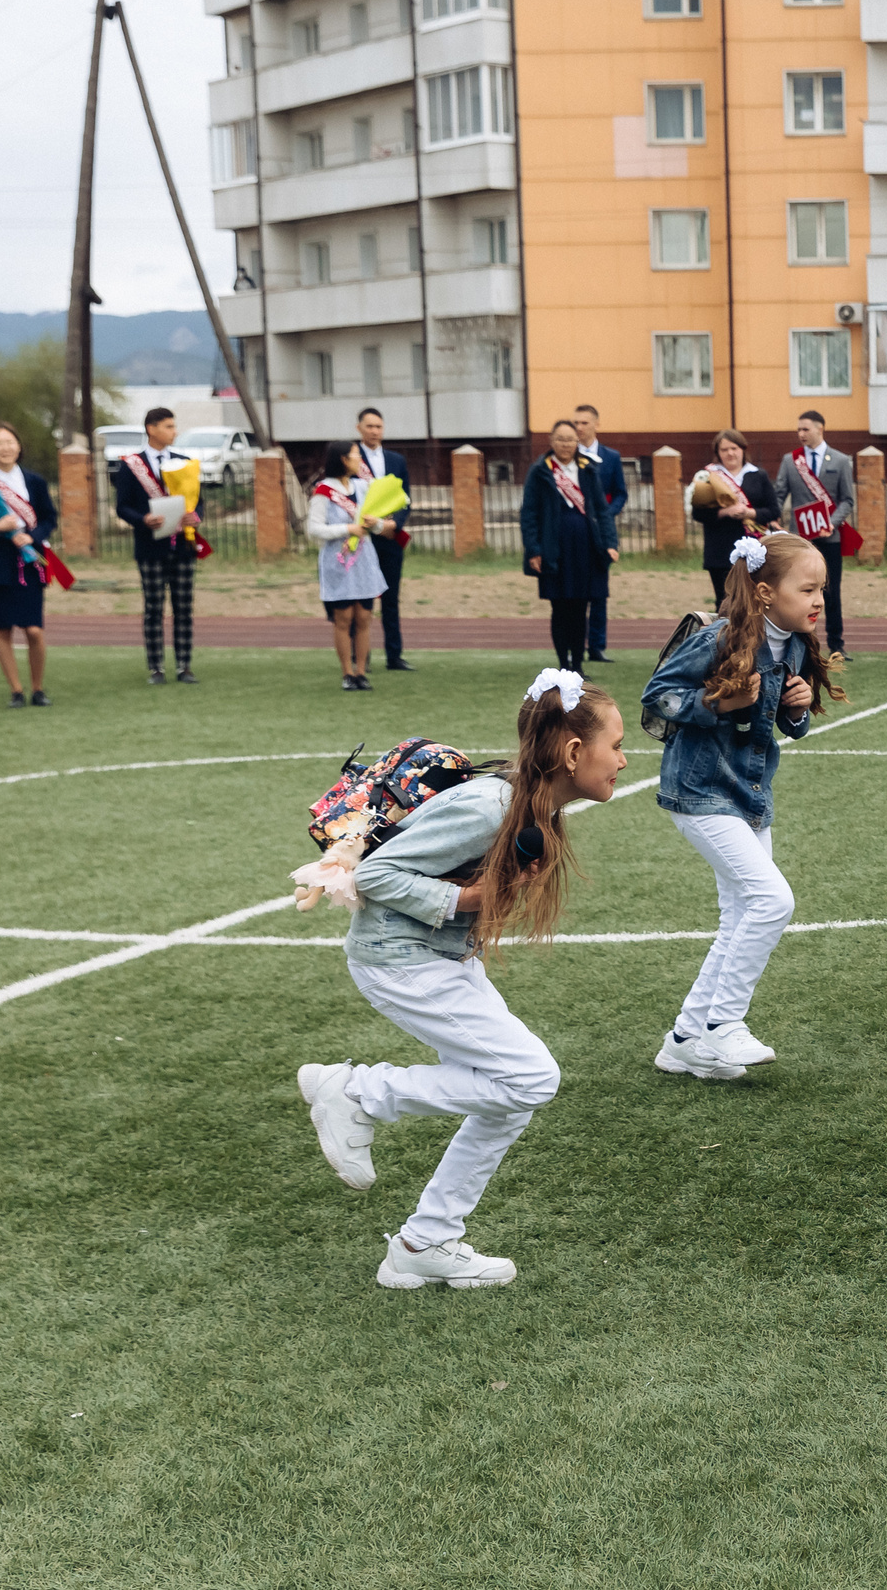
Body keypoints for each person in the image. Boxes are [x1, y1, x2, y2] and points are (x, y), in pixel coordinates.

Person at [295, 671, 627, 1289]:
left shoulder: (530, 808)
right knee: (533, 1077)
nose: (624, 760)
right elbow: (377, 874)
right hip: (399, 958)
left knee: (509, 1093)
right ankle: (358, 1093)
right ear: (574, 752)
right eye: (617, 745)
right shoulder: (491, 806)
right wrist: (471, 900)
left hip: (442, 957)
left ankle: (424, 1241)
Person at [643, 532, 835, 1080]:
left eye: (822, 589)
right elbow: (658, 697)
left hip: (749, 794)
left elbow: (783, 723)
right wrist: (720, 702)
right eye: (808, 589)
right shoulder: (719, 638)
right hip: (700, 791)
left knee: (740, 917)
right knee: (772, 900)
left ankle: (683, 1040)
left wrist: (797, 710)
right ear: (766, 592)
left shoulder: (792, 643)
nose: (819, 600)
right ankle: (724, 1025)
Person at [521, 420, 620, 671]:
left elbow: (601, 510)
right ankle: (563, 665)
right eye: (560, 439)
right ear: (551, 441)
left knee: (581, 607)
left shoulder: (588, 469)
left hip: (586, 548)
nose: (565, 444)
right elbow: (529, 513)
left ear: (577, 442)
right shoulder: (540, 471)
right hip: (554, 548)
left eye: (570, 439)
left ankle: (577, 666)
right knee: (560, 608)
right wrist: (534, 549)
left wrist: (610, 543)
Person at [112, 405, 199, 686]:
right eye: (168, 426)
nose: (174, 432)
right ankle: (156, 668)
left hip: (182, 547)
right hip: (150, 547)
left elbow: (198, 502)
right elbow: (122, 506)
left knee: (183, 608)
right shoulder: (131, 465)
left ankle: (184, 666)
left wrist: (195, 517)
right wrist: (143, 519)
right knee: (153, 608)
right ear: (152, 429)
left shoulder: (184, 463)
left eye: (174, 426)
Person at [308, 442, 394, 692]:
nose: (360, 460)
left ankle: (361, 672)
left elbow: (376, 524)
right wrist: (347, 529)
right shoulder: (323, 491)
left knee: (364, 617)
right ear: (343, 459)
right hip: (338, 560)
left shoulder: (363, 487)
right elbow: (314, 529)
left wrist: (375, 524)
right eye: (356, 455)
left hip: (364, 560)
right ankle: (347, 672)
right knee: (343, 618)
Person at [0, 420, 56, 707]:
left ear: (19, 446)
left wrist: (32, 536)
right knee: (3, 628)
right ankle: (16, 690)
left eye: (10, 442)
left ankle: (38, 688)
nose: (5, 448)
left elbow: (49, 518)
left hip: (30, 561)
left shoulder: (34, 481)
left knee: (33, 629)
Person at [776, 410, 856, 656]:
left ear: (820, 429)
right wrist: (775, 520)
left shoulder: (840, 460)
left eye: (805, 429)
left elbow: (847, 500)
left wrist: (832, 523)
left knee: (831, 591)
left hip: (829, 538)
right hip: (800, 540)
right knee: (797, 590)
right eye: (798, 430)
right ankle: (797, 643)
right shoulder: (790, 461)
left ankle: (836, 644)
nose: (801, 434)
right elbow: (779, 495)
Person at [350, 407, 413, 672]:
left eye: (378, 427)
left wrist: (394, 523)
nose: (374, 431)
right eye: (369, 426)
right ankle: (360, 657)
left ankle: (394, 656)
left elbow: (406, 499)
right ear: (359, 429)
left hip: (389, 537)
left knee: (391, 598)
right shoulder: (352, 459)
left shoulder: (396, 460)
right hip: (364, 537)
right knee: (362, 598)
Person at [692, 429, 778, 606]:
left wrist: (749, 513)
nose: (730, 453)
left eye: (734, 448)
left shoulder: (758, 475)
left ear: (743, 449)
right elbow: (698, 513)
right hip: (719, 550)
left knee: (754, 601)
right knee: (725, 602)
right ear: (718, 453)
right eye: (724, 450)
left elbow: (773, 510)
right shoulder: (709, 476)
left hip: (753, 550)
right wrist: (725, 512)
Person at [571, 405, 627, 662]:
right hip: (576, 532)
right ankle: (575, 644)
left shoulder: (611, 457)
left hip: (601, 534)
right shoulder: (567, 457)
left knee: (598, 591)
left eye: (584, 423)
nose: (579, 427)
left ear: (596, 424)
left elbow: (620, 493)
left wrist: (605, 514)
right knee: (575, 591)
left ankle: (597, 646)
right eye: (576, 423)